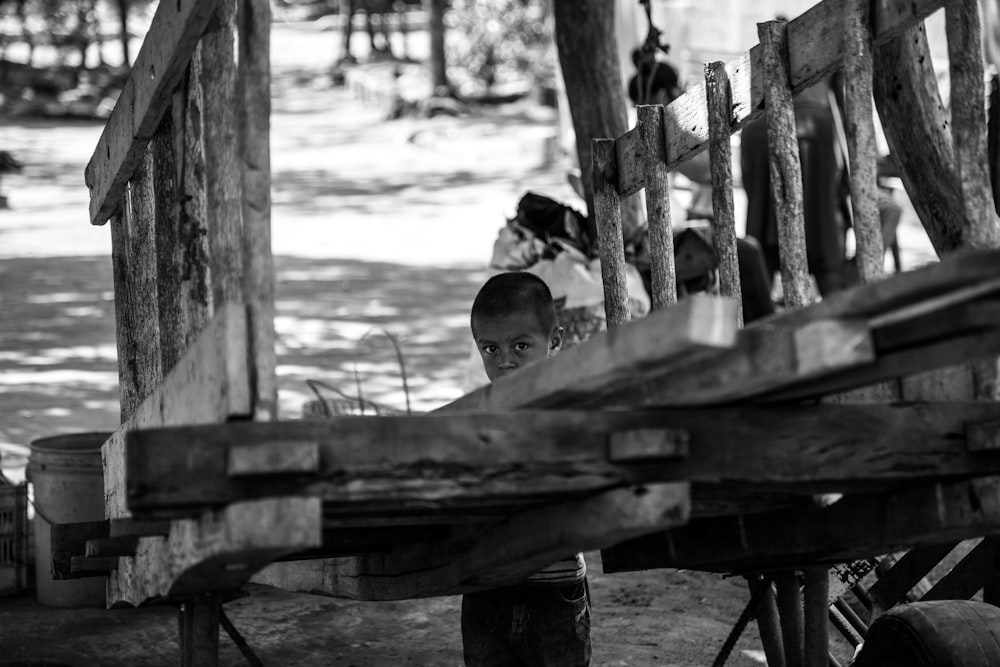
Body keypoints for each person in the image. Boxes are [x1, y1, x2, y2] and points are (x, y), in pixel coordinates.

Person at [462, 271, 592, 667]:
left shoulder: (570, 408)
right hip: (487, 592)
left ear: (554, 340)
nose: (504, 361)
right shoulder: (475, 414)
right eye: (490, 349)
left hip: (554, 592)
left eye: (520, 346)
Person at [740, 75, 847, 298]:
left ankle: (755, 313)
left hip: (757, 126)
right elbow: (844, 101)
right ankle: (837, 308)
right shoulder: (829, 41)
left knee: (761, 222)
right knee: (822, 227)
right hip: (808, 126)